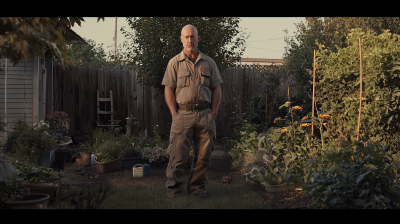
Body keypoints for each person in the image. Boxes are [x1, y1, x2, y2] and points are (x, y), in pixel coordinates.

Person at [161, 24, 222, 198]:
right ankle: (174, 191)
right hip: (183, 114)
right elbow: (168, 88)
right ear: (181, 39)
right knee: (178, 156)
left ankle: (197, 189)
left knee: (203, 157)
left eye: (192, 36)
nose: (190, 40)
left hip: (205, 115)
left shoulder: (209, 63)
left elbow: (217, 88)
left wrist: (213, 114)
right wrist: (174, 114)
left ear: (197, 38)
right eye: (186, 37)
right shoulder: (174, 63)